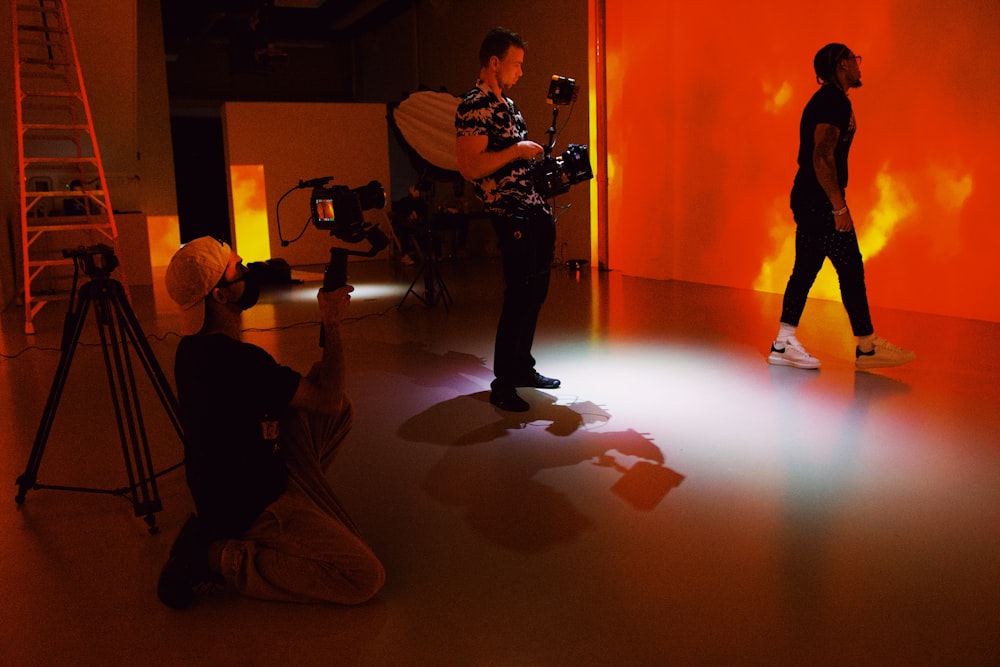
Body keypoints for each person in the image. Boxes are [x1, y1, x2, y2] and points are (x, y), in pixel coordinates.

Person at [158, 236, 385, 609]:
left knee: (340, 407)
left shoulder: (192, 350)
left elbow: (312, 399)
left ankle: (300, 504)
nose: (247, 271)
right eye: (237, 269)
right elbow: (324, 400)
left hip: (239, 469)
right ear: (220, 296)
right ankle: (214, 557)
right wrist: (332, 322)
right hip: (249, 504)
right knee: (363, 576)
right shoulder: (239, 362)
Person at [768, 43, 915, 371]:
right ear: (840, 66)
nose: (858, 65)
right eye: (853, 59)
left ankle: (784, 342)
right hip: (819, 201)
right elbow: (821, 155)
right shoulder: (832, 101)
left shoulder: (831, 100)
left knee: (810, 269)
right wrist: (838, 207)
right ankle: (865, 346)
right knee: (848, 268)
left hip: (810, 198)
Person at [455, 26, 560, 412]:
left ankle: (522, 367)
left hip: (533, 208)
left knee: (535, 293)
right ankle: (503, 383)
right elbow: (470, 167)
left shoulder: (509, 107)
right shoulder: (473, 106)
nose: (520, 72)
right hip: (509, 211)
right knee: (518, 295)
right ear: (494, 63)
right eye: (515, 65)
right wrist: (517, 150)